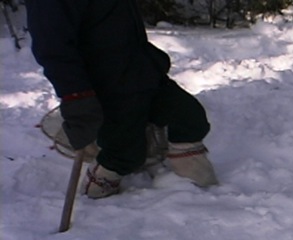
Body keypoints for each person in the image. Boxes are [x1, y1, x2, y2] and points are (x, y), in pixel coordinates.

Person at [25, 0, 218, 199]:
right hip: (110, 87)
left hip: (145, 71)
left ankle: (200, 189)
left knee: (189, 118)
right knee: (124, 154)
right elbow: (52, 47)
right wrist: (76, 96)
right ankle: (97, 193)